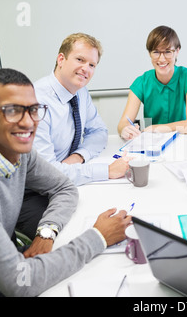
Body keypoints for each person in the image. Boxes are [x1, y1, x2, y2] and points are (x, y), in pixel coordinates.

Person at [0, 68, 131, 297]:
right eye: (13, 111)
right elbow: (20, 282)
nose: (28, 123)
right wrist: (98, 237)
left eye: (33, 110)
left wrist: (46, 233)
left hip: (7, 265)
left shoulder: (19, 151)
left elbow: (64, 187)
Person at [19, 33, 130, 239]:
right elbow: (47, 174)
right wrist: (106, 171)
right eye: (80, 60)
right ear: (61, 59)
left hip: (61, 181)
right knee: (76, 235)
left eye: (92, 65)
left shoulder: (80, 92)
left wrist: (77, 158)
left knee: (108, 213)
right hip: (30, 192)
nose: (86, 69)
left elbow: (99, 132)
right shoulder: (35, 103)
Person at [117, 25, 187, 140]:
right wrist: (125, 130)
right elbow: (123, 123)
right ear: (149, 53)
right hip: (153, 144)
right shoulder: (141, 82)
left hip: (185, 140)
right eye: (156, 52)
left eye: (168, 52)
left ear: (177, 51)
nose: (162, 59)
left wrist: (155, 128)